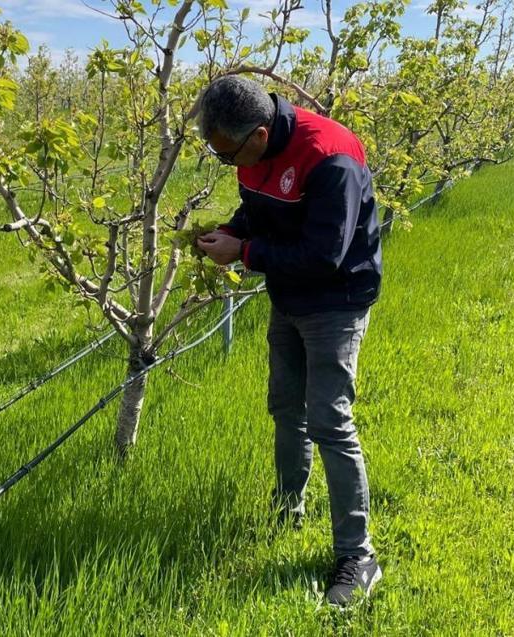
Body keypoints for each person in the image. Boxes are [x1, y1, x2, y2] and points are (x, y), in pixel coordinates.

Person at [196, 75, 383, 607]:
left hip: (336, 300)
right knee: (285, 406)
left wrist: (246, 255)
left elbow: (324, 255)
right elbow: (256, 210)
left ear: (258, 133)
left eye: (227, 154)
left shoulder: (331, 157)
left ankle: (358, 555)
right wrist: (232, 232)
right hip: (289, 298)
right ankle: (288, 507)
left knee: (330, 420)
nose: (228, 165)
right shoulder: (250, 152)